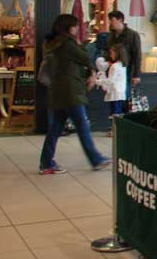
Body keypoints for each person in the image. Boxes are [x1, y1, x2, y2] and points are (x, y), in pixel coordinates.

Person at [40, 14, 110, 174]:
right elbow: (85, 57)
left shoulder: (52, 43)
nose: (78, 29)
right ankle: (96, 159)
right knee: (82, 126)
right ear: (68, 28)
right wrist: (80, 44)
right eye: (75, 26)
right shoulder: (67, 44)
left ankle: (46, 163)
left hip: (58, 92)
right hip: (72, 92)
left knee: (55, 129)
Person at [106, 11, 141, 94]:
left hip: (126, 70)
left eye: (113, 20)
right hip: (113, 70)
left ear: (120, 20)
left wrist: (136, 75)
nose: (111, 22)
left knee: (124, 95)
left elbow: (137, 55)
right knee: (113, 96)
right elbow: (107, 50)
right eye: (110, 20)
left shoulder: (132, 35)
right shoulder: (110, 36)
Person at [94, 44, 128, 118]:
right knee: (119, 114)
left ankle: (114, 128)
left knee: (114, 115)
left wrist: (97, 81)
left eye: (111, 53)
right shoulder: (123, 66)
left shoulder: (114, 66)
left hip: (114, 93)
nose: (110, 55)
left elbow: (110, 81)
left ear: (117, 53)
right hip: (121, 92)